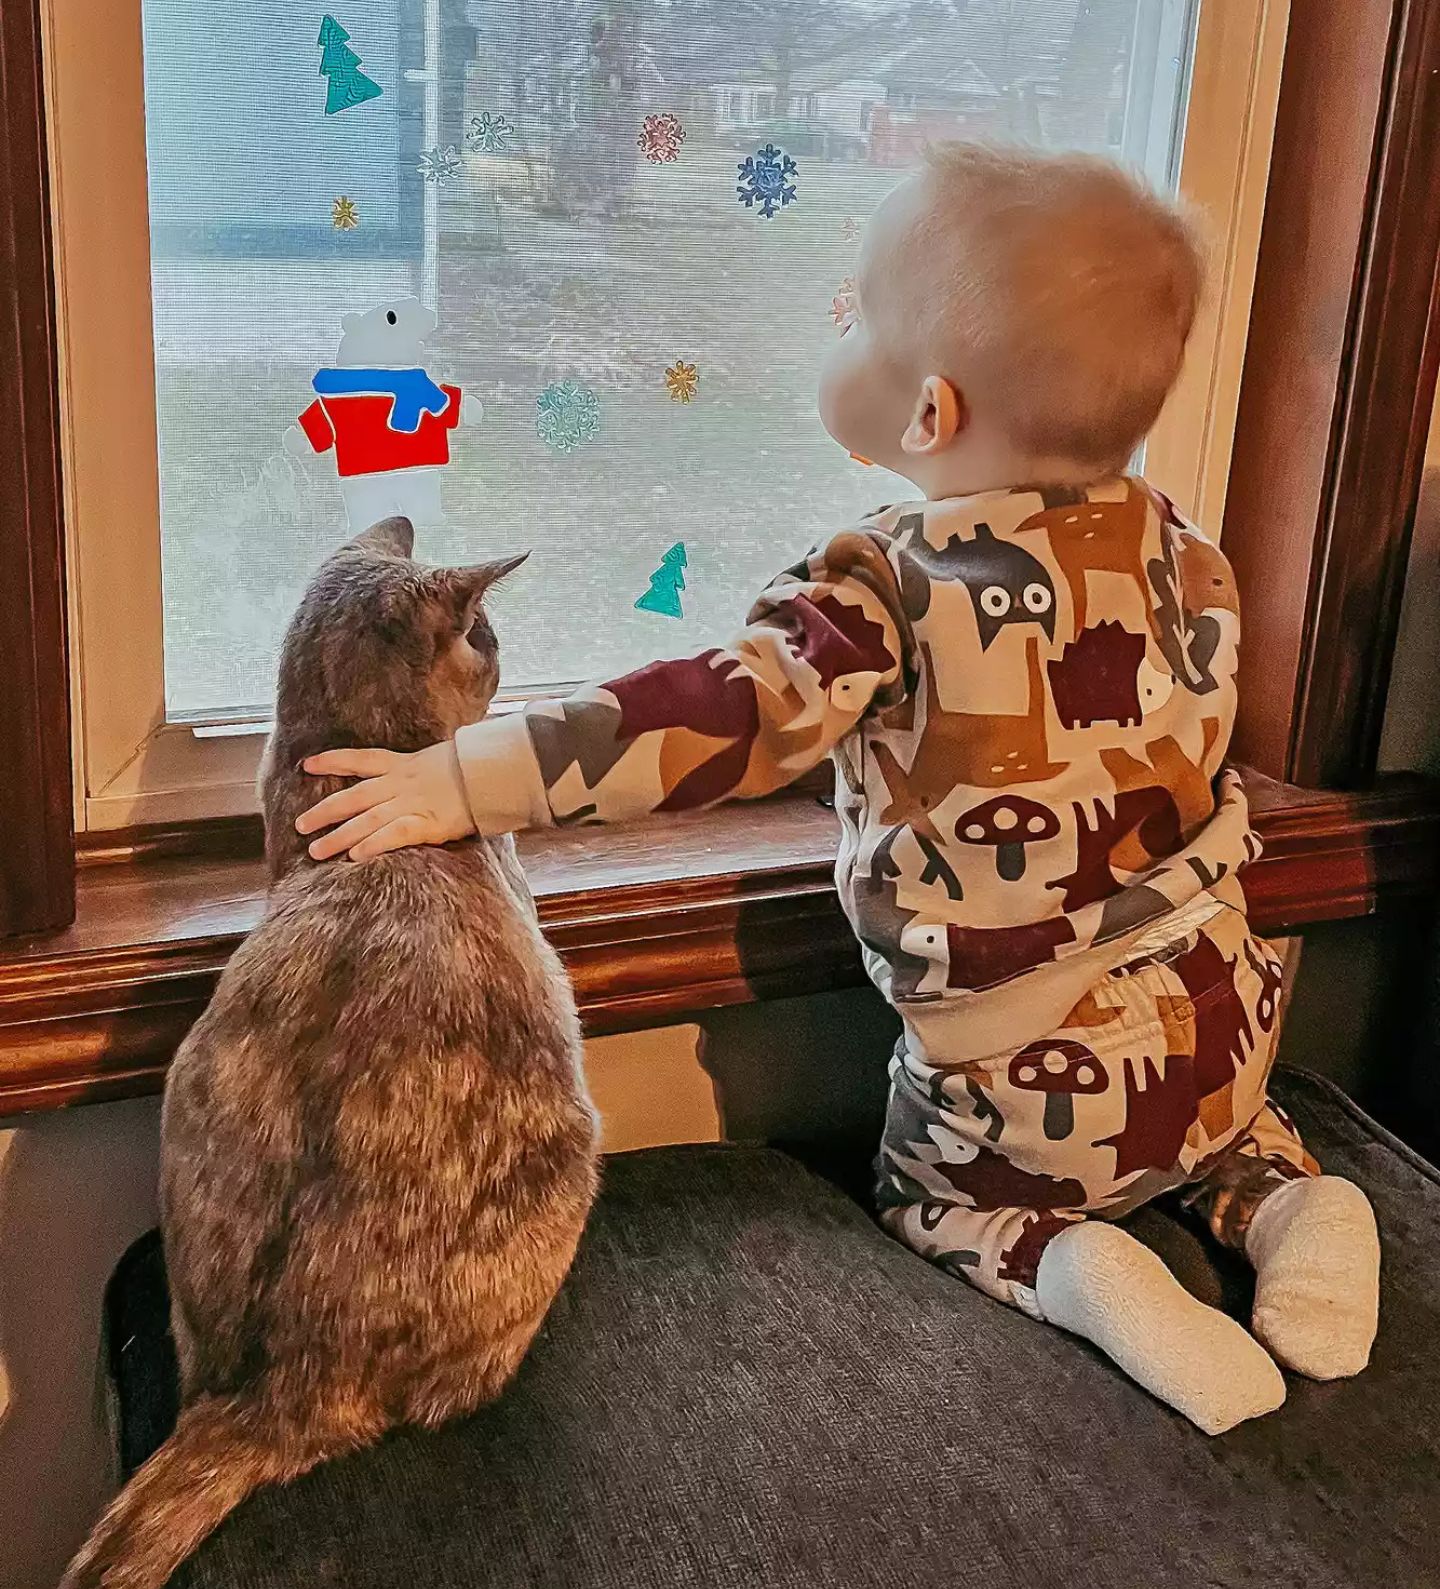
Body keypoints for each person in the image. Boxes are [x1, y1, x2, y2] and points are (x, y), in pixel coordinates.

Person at [296, 143, 1380, 1434]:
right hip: (1219, 1016)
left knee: (944, 1201)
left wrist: (467, 777)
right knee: (1233, 1140)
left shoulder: (892, 585)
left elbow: (718, 715)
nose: (842, 333)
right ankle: (1298, 1206)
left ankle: (1074, 1267)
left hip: (1026, 1070)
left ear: (927, 416)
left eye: (859, 315)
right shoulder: (1185, 552)